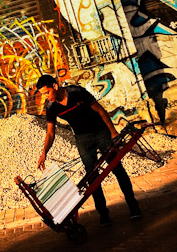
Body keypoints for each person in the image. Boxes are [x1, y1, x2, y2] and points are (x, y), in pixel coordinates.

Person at [36, 74, 141, 226]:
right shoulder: (52, 108)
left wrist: (112, 132)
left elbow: (100, 110)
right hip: (82, 139)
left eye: (47, 93)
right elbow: (50, 133)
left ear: (55, 86)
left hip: (101, 133)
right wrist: (44, 153)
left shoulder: (76, 92)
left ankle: (133, 206)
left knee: (116, 168)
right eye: (43, 95)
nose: (46, 97)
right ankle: (103, 214)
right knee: (92, 178)